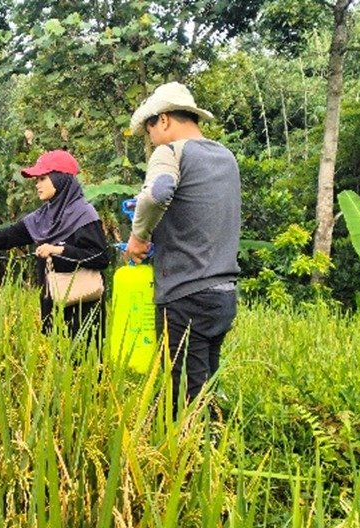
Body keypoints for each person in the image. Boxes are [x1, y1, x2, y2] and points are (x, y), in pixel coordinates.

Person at [124, 82, 240, 417]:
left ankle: (190, 464)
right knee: (205, 388)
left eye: (150, 132)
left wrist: (139, 236)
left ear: (163, 120)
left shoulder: (171, 151)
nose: (151, 142)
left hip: (185, 294)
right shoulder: (225, 157)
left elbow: (159, 192)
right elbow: (198, 213)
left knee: (184, 398)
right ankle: (215, 455)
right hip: (223, 295)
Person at [0, 150, 109, 344]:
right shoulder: (41, 217)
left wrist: (59, 250)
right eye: (37, 180)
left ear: (60, 179)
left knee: (85, 364)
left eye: (43, 178)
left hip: (83, 305)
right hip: (52, 301)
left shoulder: (84, 214)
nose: (37, 185)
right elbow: (4, 237)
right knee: (55, 361)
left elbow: (100, 257)